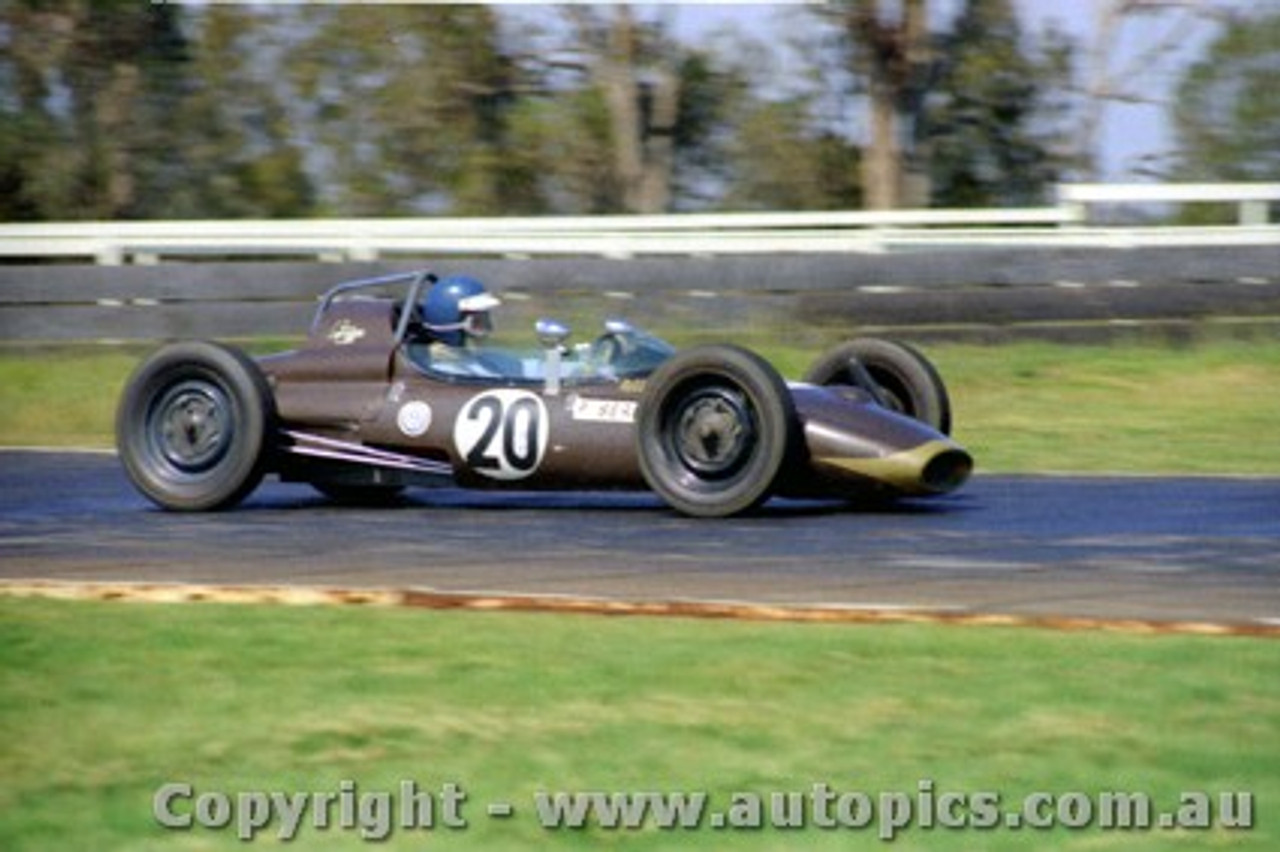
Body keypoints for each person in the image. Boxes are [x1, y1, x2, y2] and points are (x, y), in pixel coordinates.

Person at [412, 276, 508, 377]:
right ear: (450, 326)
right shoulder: (440, 373)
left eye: (486, 319)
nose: (488, 331)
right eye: (478, 323)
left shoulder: (493, 362)